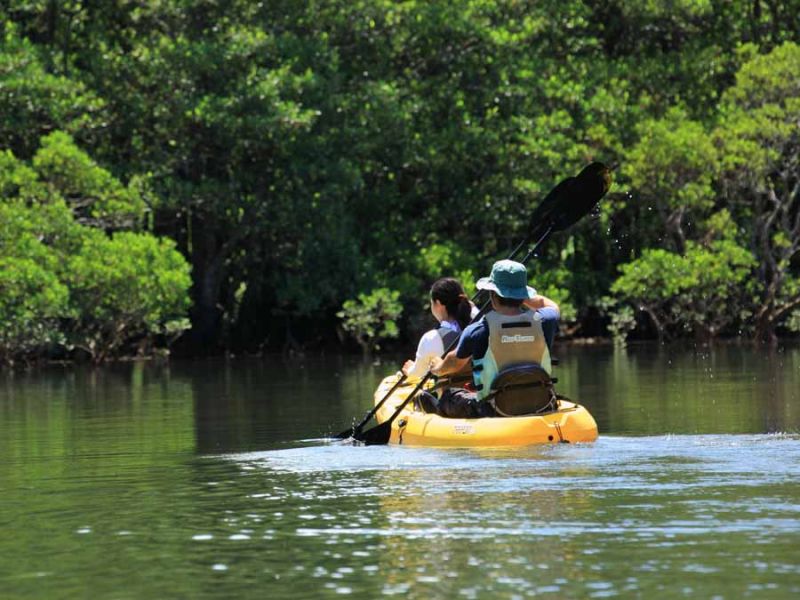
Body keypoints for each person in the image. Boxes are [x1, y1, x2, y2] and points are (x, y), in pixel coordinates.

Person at [430, 259, 560, 418]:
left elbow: (453, 364)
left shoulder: (478, 330)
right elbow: (551, 305)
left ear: (493, 295)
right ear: (523, 295)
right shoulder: (546, 320)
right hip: (542, 405)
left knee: (448, 395)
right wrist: (520, 295)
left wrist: (437, 367)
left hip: (493, 410)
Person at [401, 277, 474, 382]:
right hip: (479, 392)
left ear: (438, 303)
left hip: (450, 395)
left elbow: (418, 374)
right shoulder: (478, 328)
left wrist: (409, 370)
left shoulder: (431, 338)